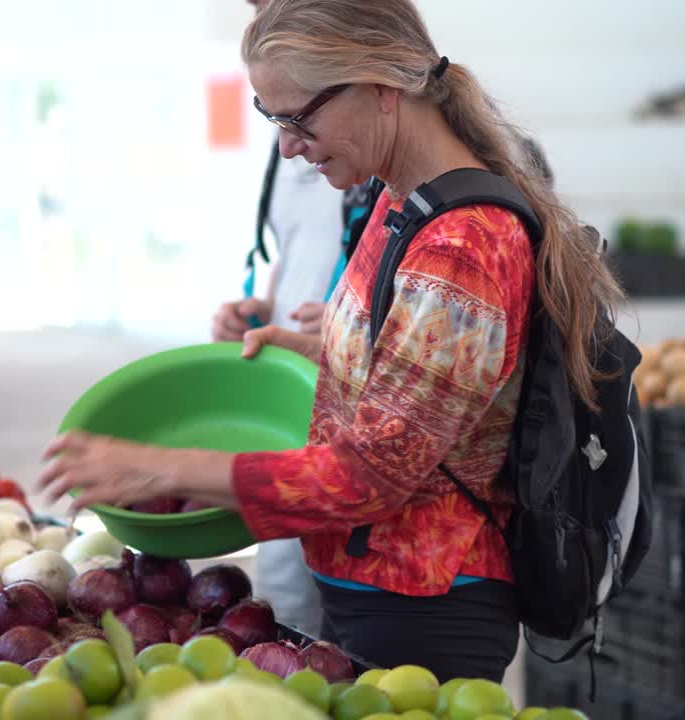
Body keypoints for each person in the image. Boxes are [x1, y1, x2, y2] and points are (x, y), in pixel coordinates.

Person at [39, 0, 623, 681]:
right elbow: (426, 380)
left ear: (381, 89)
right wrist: (316, 350)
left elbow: (376, 471)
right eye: (272, 119)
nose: (287, 145)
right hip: (367, 585)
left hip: (427, 605)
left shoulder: (461, 246)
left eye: (298, 118)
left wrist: (168, 467)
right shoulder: (397, 196)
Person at [207, 0, 346, 640]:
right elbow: (295, 251)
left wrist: (356, 318)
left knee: (343, 622)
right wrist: (259, 309)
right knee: (285, 605)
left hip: (357, 419)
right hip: (288, 406)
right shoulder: (288, 134)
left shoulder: (370, 131)